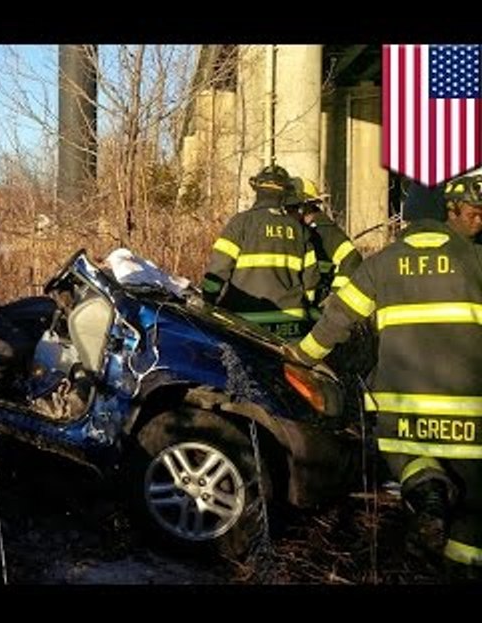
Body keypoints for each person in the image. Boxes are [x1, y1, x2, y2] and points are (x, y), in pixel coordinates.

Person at [292, 169, 482, 580]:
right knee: (473, 505)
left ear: (408, 216)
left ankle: (427, 489)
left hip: (401, 408)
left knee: (408, 458)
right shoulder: (475, 260)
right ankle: (462, 565)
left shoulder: (382, 264)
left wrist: (300, 356)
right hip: (472, 410)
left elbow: (337, 320)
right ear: (447, 213)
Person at [201, 164, 320, 339]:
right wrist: (307, 305)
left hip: (246, 322)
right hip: (291, 323)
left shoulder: (240, 223)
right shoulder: (299, 229)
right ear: (285, 194)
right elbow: (311, 280)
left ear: (257, 190)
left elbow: (218, 269)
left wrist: (207, 302)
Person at [285, 177, 362, 305]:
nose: (287, 212)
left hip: (321, 302)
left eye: (291, 208)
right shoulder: (299, 230)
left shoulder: (324, 230)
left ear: (303, 207)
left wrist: (334, 295)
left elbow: (352, 259)